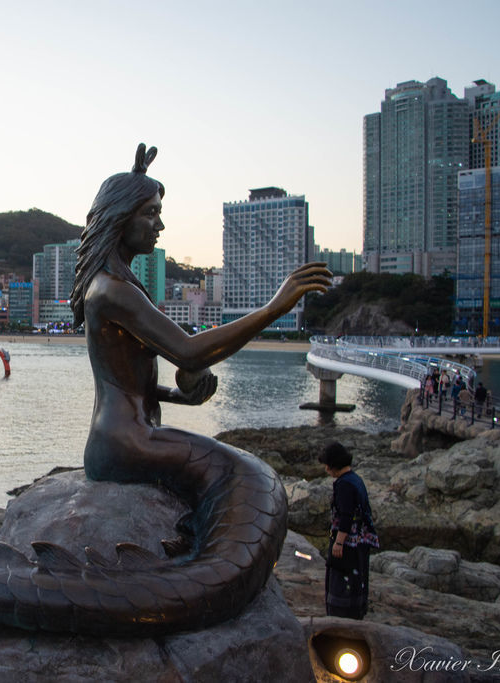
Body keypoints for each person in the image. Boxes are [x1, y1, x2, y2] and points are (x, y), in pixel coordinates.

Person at [70, 142, 330, 506]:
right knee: (247, 478)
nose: (160, 224)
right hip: (124, 445)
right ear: (120, 216)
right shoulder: (112, 290)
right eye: (150, 213)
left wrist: (178, 396)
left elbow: (124, 384)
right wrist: (273, 309)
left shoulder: (116, 284)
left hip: (124, 439)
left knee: (243, 478)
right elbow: (190, 353)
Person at [319, 441, 379, 620]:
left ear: (332, 465)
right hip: (361, 540)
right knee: (356, 578)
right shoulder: (356, 479)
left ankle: (340, 615)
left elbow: (347, 515)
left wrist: (338, 541)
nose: (325, 469)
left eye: (326, 465)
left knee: (341, 578)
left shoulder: (343, 484)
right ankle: (355, 611)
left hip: (349, 542)